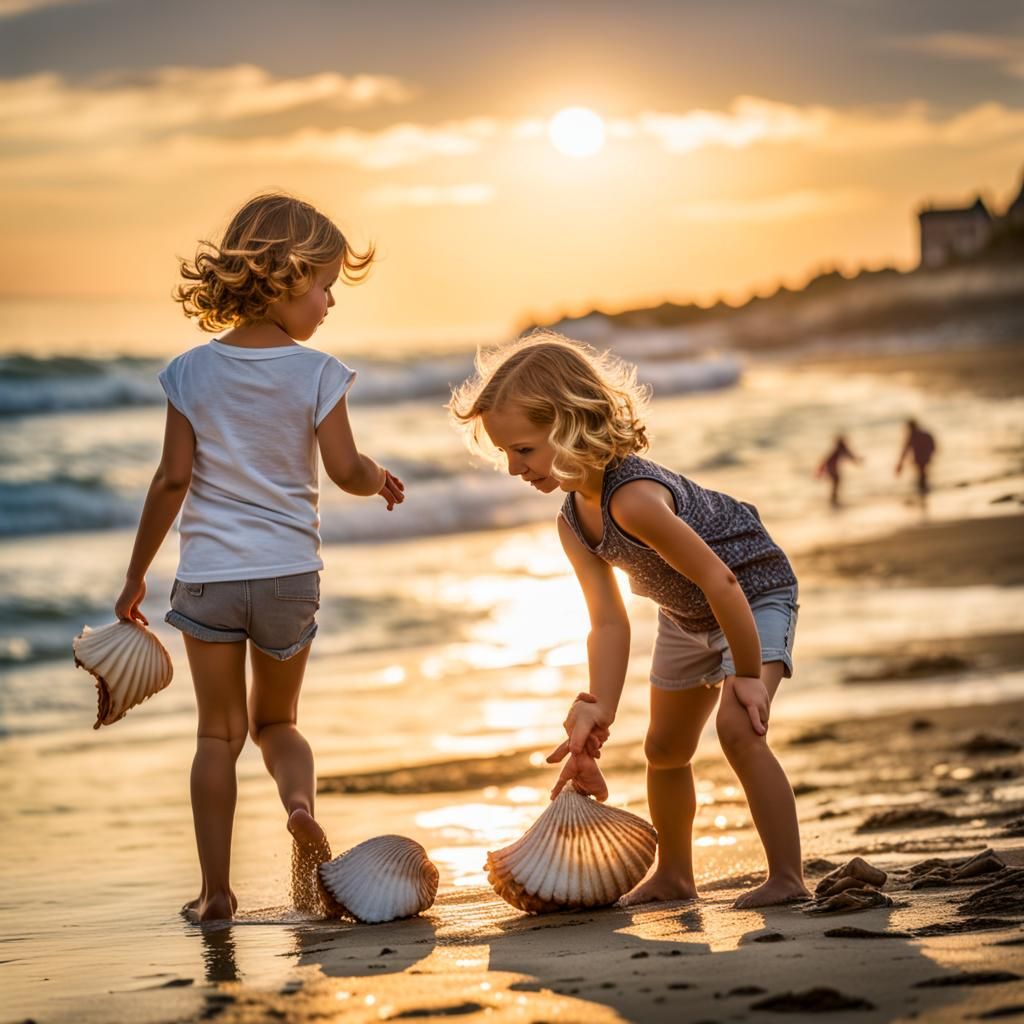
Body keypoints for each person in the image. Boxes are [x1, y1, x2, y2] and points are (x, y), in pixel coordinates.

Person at [114, 193, 405, 923]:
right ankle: (299, 806)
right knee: (278, 724)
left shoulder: (189, 372)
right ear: (282, 277)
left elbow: (172, 480)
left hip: (209, 579)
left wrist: (135, 574)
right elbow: (343, 471)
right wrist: (377, 479)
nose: (332, 301)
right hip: (286, 579)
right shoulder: (317, 373)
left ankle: (215, 893)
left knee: (218, 734)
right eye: (324, 283)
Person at [449, 332, 808, 909]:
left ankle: (788, 877)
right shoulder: (572, 522)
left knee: (738, 729)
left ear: (570, 425)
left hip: (754, 594)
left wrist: (745, 673)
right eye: (506, 455)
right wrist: (598, 706)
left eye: (523, 450)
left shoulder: (634, 498)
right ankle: (675, 875)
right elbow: (609, 623)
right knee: (664, 749)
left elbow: (723, 581)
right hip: (687, 613)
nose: (513, 468)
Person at [817, 433, 862, 507]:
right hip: (832, 469)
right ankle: (833, 501)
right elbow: (850, 456)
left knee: (836, 483)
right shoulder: (839, 449)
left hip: (831, 469)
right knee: (836, 483)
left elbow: (850, 456)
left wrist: (820, 471)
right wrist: (857, 460)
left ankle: (833, 501)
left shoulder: (837, 449)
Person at [895, 418, 936, 498]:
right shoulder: (922, 435)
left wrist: (900, 464)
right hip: (922, 459)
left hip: (922, 459)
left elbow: (905, 451)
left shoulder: (914, 436)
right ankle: (924, 491)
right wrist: (900, 464)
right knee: (923, 475)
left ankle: (923, 492)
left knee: (922, 476)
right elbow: (933, 446)